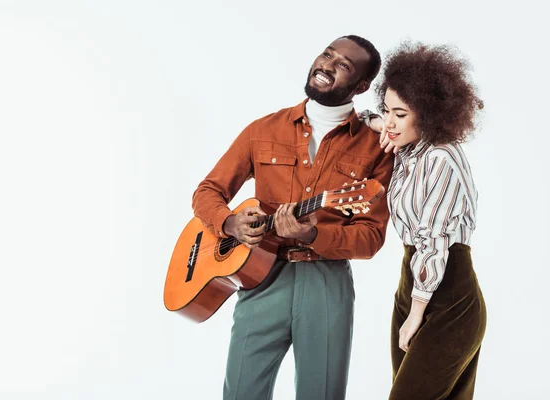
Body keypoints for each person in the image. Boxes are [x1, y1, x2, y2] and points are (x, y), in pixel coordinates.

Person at [191, 35, 394, 399]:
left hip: (326, 283)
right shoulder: (263, 129)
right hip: (260, 278)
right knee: (241, 392)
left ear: (362, 86)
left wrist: (312, 236)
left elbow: (370, 237)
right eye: (327, 54)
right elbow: (208, 192)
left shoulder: (376, 146)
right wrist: (229, 223)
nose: (327, 65)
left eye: (343, 65)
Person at [368, 42, 486, 399]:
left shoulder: (439, 159)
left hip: (447, 294)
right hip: (413, 283)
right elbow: (375, 121)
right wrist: (376, 122)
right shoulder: (410, 148)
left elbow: (434, 242)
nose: (389, 121)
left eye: (400, 114)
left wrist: (417, 310)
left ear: (429, 114)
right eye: (386, 109)